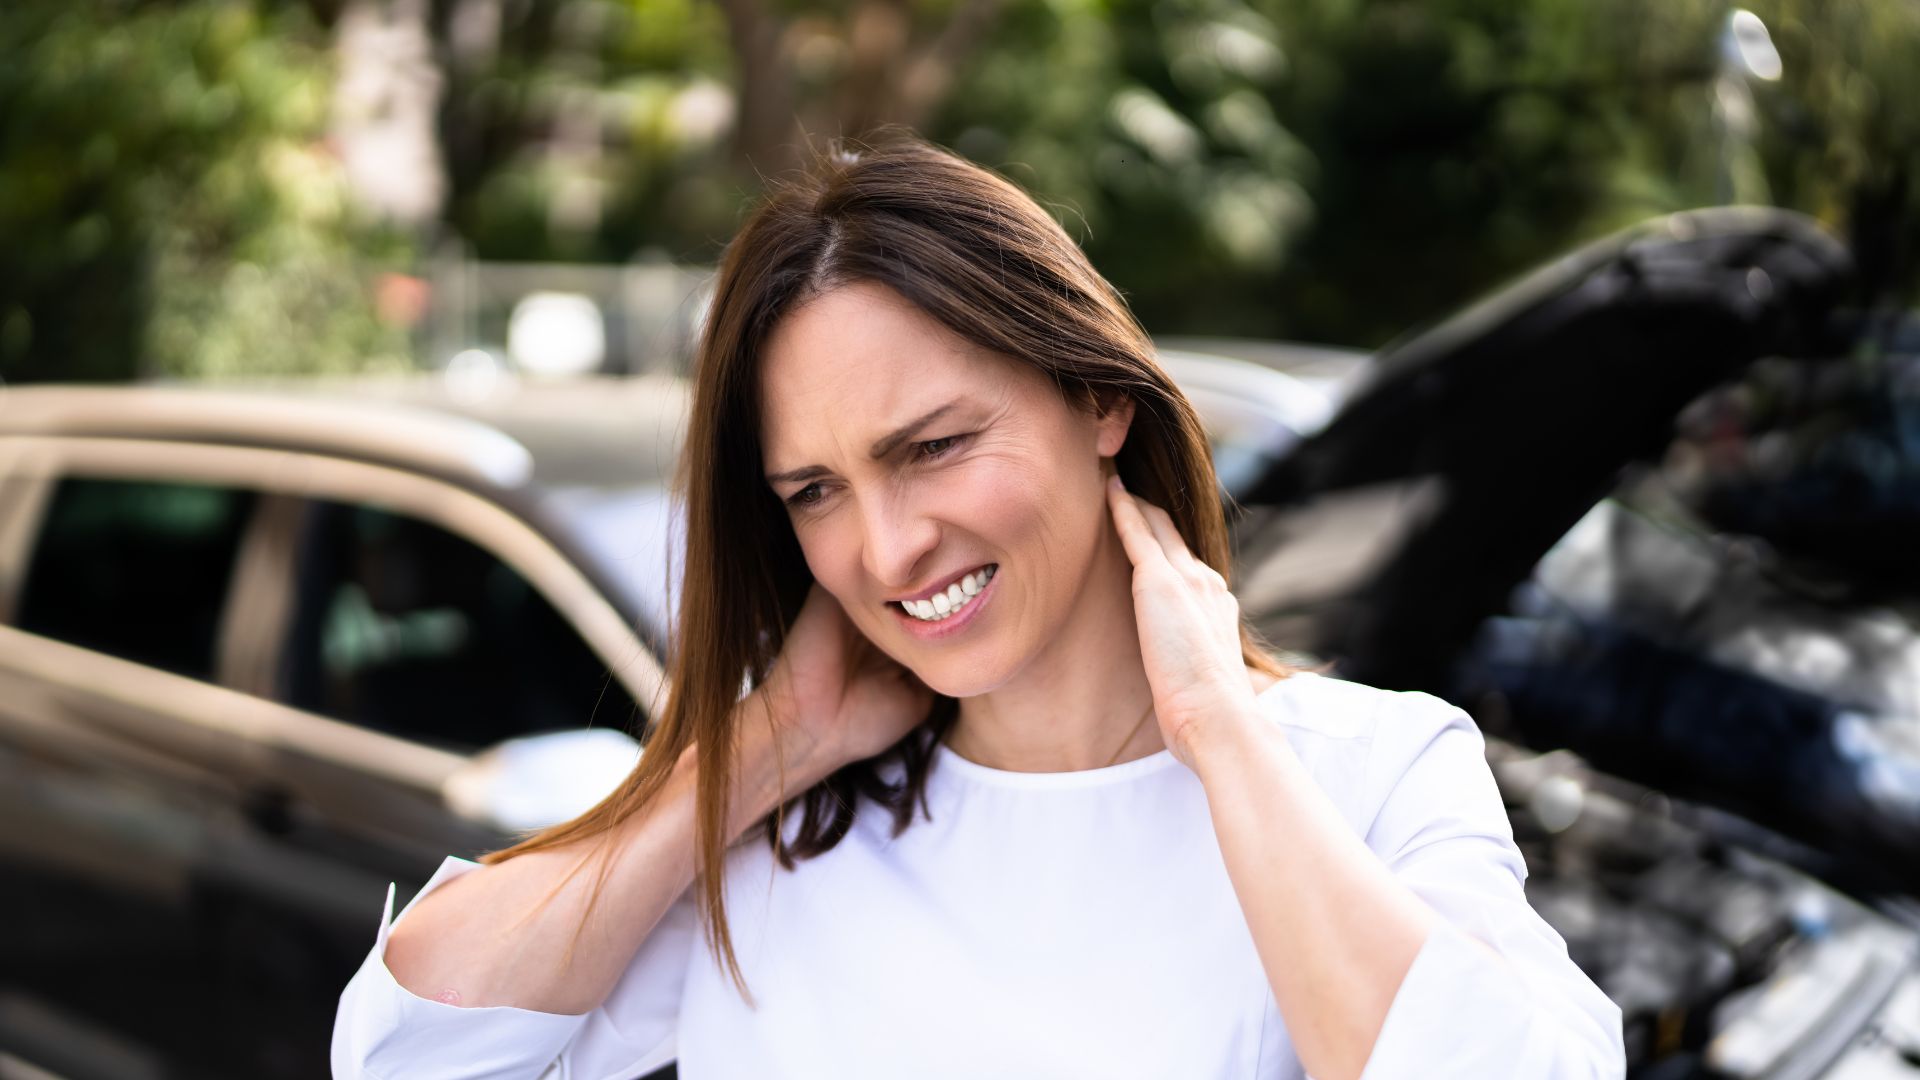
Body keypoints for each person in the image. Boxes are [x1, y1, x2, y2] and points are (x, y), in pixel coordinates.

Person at [331, 135, 1626, 1079]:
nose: (886, 546)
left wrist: (1218, 730)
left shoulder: (1373, 772)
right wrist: (766, 748)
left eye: (935, 445)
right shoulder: (790, 831)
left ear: (1100, 401)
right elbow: (417, 1055)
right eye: (815, 489)